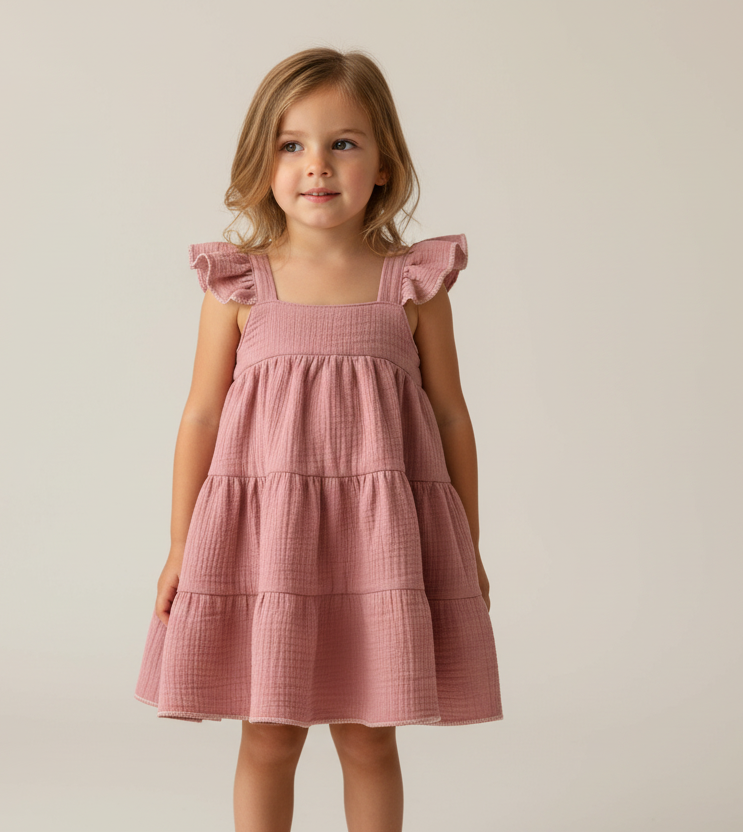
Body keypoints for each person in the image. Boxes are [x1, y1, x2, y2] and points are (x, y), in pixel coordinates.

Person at [134, 46, 502, 832]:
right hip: (270, 544)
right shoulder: (239, 283)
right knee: (269, 735)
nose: (317, 166)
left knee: (370, 736)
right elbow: (200, 416)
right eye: (292, 144)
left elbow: (449, 417)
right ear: (261, 160)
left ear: (383, 161)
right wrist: (179, 544)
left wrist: (466, 543)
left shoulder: (412, 283)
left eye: (343, 143)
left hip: (382, 546)